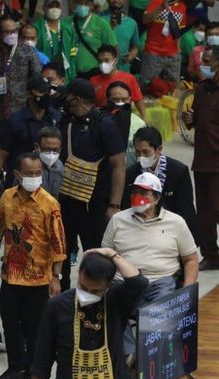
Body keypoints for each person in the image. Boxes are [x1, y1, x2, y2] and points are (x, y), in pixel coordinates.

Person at [28, 249, 148, 379]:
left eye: (95, 291)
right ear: (78, 276)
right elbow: (42, 358)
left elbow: (139, 282)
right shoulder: (57, 306)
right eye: (83, 287)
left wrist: (111, 254)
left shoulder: (116, 302)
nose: (87, 293)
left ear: (108, 286)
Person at [0, 152, 67, 379]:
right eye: (29, 174)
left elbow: (58, 243)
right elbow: (0, 229)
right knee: (10, 325)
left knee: (35, 330)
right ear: (17, 175)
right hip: (10, 275)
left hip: (38, 279)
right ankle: (15, 366)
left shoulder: (49, 204)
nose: (34, 177)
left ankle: (31, 374)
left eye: (38, 173)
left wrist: (56, 277)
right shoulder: (6, 198)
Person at [58, 79, 125, 291]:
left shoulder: (104, 124)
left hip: (95, 204)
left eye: (68, 98)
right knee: (62, 252)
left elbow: (118, 166)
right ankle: (64, 297)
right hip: (66, 202)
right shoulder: (66, 121)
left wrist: (114, 205)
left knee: (95, 256)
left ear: (76, 99)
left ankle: (94, 296)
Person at [103, 172, 198, 307]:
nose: (137, 197)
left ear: (157, 198)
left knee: (160, 309)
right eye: (134, 192)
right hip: (124, 282)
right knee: (114, 312)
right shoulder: (118, 220)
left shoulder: (176, 222)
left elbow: (191, 259)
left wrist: (187, 291)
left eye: (143, 193)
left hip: (161, 282)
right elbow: (104, 255)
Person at [123, 126, 199, 243]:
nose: (141, 156)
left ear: (159, 149)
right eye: (138, 152)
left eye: (146, 152)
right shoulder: (131, 173)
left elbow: (185, 209)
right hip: (140, 229)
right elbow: (127, 208)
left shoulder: (178, 171)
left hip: (172, 229)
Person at [183, 45, 219, 271]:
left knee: (217, 208)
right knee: (205, 211)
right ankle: (211, 255)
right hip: (202, 159)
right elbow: (195, 121)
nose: (202, 65)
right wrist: (190, 119)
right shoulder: (201, 88)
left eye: (206, 60)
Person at [0, 76, 61, 187]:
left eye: (47, 91)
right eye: (41, 91)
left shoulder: (55, 117)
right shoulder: (14, 121)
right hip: (19, 179)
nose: (45, 95)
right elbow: (1, 154)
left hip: (48, 180)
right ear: (30, 94)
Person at [91, 45, 147, 122]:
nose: (103, 64)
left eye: (107, 60)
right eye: (100, 61)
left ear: (115, 60)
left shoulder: (128, 78)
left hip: (123, 119)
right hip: (101, 121)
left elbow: (138, 99)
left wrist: (144, 117)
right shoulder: (93, 81)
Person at [140, 0, 186, 86]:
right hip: (153, 52)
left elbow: (179, 31)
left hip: (173, 54)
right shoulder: (156, 2)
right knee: (147, 85)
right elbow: (144, 20)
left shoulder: (182, 6)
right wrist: (161, 8)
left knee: (173, 86)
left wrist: (178, 50)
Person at [69, 0, 118, 79]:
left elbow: (113, 49)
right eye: (79, 3)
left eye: (86, 3)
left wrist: (111, 71)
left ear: (92, 5)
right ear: (73, 4)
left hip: (94, 72)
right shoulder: (65, 22)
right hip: (70, 72)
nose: (82, 6)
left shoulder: (101, 23)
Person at [33, 0, 76, 83]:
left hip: (64, 74)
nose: (54, 9)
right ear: (44, 8)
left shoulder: (68, 28)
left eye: (57, 6)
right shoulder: (36, 28)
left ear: (61, 8)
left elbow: (72, 53)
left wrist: (72, 73)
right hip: (43, 74)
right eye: (51, 6)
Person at [105, 81, 145, 167]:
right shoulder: (101, 122)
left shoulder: (139, 124)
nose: (120, 103)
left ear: (130, 100)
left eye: (124, 100)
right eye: (115, 100)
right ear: (108, 100)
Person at [102, 0, 141, 73]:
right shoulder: (99, 19)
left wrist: (131, 56)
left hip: (123, 70)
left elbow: (135, 46)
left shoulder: (132, 23)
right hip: (102, 69)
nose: (116, 0)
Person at [35, 126, 64, 197]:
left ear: (60, 149)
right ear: (37, 147)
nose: (51, 153)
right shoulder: (27, 165)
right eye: (47, 149)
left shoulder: (60, 166)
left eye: (55, 150)